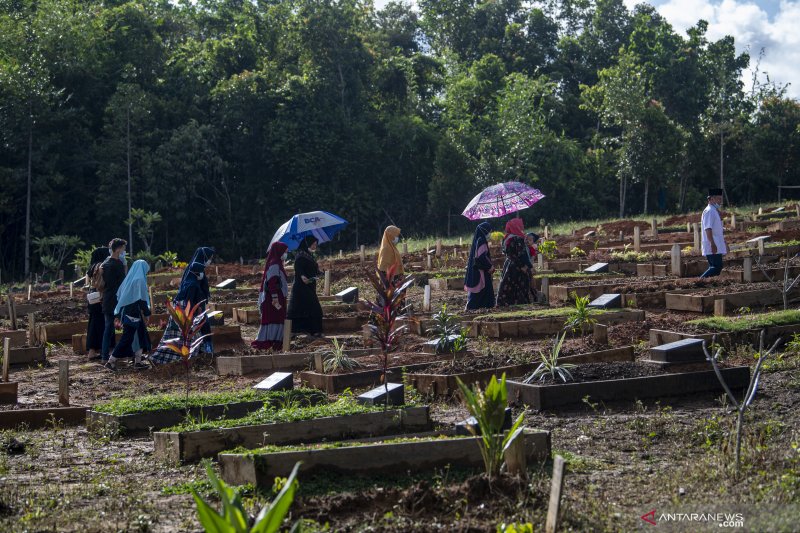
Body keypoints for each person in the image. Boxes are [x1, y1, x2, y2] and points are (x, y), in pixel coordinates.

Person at [149, 247, 216, 365]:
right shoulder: (192, 284)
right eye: (209, 259)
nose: (210, 261)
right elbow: (190, 302)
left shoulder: (194, 275)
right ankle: (163, 359)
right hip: (185, 312)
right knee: (181, 338)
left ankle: (199, 357)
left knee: (186, 337)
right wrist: (197, 311)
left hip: (188, 310)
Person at [105, 259, 151, 371]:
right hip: (133, 314)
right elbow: (141, 300)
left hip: (128, 312)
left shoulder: (130, 279)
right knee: (127, 338)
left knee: (141, 336)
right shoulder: (139, 280)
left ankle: (138, 362)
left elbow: (121, 296)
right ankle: (111, 361)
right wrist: (147, 313)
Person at [252, 242, 289, 350]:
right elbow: (272, 282)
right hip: (273, 299)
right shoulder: (274, 264)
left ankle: (276, 340)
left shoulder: (277, 263)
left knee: (277, 318)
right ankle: (269, 340)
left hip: (277, 297)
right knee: (274, 318)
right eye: (285, 252)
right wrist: (275, 298)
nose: (285, 254)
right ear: (279, 251)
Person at [287, 236, 323, 337]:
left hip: (310, 286)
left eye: (316, 244)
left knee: (309, 308)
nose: (315, 246)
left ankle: (312, 331)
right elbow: (298, 268)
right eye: (313, 244)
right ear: (308, 244)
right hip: (301, 287)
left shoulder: (310, 255)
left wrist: (320, 273)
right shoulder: (300, 256)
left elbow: (313, 269)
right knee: (311, 308)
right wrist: (303, 277)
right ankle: (298, 330)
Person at [496, 218, 533, 307]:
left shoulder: (506, 238)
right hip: (518, 266)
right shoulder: (517, 239)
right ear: (516, 226)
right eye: (520, 225)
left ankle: (505, 303)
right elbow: (521, 254)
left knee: (508, 285)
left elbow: (509, 253)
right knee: (520, 286)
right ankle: (520, 304)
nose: (522, 227)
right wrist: (525, 266)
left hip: (509, 264)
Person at [101, 238, 127, 363]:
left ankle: (104, 356)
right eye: (123, 248)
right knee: (125, 326)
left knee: (108, 328)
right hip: (118, 299)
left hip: (106, 298)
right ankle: (123, 353)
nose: (123, 251)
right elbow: (123, 282)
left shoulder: (104, 264)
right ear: (117, 249)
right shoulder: (119, 264)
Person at [85, 247, 110, 361]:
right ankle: (102, 350)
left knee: (93, 324)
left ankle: (91, 351)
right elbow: (103, 283)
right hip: (100, 298)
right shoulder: (101, 266)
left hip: (92, 298)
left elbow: (87, 284)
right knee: (102, 324)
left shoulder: (90, 268)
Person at [464, 222, 495, 310]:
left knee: (482, 291)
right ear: (485, 231)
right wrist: (490, 266)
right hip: (481, 270)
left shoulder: (479, 239)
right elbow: (481, 257)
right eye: (489, 231)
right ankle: (472, 308)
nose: (490, 234)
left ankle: (483, 307)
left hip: (480, 269)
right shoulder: (481, 240)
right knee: (480, 290)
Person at [700, 188, 727, 278]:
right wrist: (712, 243)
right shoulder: (709, 211)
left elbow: (715, 229)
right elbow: (708, 228)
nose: (720, 201)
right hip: (713, 244)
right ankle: (699, 281)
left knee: (716, 267)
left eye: (721, 199)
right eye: (718, 199)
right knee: (716, 267)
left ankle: (706, 284)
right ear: (711, 199)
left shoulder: (713, 210)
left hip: (716, 243)